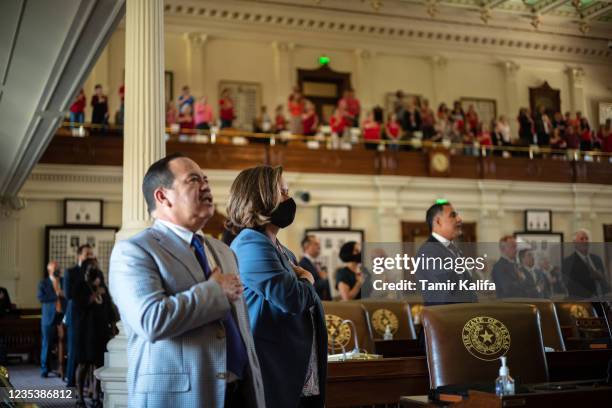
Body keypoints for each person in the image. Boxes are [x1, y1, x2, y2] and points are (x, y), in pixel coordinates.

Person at [109, 154, 265, 408]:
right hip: (181, 397)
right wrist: (215, 291)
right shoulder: (135, 251)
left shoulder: (223, 251)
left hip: (238, 393)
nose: (206, 186)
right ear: (162, 196)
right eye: (193, 180)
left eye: (205, 179)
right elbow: (151, 320)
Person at [227, 165, 327, 408]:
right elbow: (291, 298)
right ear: (259, 197)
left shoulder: (281, 249)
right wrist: (308, 278)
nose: (289, 199)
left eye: (287, 191)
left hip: (295, 365)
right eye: (281, 192)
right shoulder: (251, 244)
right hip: (270, 366)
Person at [73, 259, 116, 408]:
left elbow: (109, 306)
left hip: (100, 330)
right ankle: (79, 397)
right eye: (92, 268)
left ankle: (96, 395)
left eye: (96, 268)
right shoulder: (80, 286)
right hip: (84, 331)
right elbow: (80, 305)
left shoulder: (102, 285)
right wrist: (95, 291)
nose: (95, 270)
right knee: (83, 364)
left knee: (99, 365)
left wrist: (113, 324)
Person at [415, 202, 477, 304]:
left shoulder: (453, 250)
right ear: (438, 221)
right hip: (447, 317)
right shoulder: (428, 251)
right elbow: (450, 288)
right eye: (453, 215)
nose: (459, 219)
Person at [63, 244, 94, 386]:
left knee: (86, 351)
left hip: (89, 316)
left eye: (91, 254)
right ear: (79, 256)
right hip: (75, 316)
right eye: (87, 254)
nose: (90, 257)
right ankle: (71, 383)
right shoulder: (71, 272)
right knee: (74, 351)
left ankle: (85, 384)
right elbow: (69, 294)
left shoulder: (93, 273)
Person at [37, 260, 66, 378]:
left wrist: (63, 293)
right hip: (48, 318)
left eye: (58, 268)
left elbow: (68, 295)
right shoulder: (43, 283)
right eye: (55, 268)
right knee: (47, 343)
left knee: (63, 342)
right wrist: (57, 294)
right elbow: (41, 298)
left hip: (62, 316)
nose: (58, 270)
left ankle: (61, 368)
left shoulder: (63, 281)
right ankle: (45, 369)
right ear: (49, 270)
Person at [562, 229, 610, 299]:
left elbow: (604, 281)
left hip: (602, 300)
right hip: (583, 302)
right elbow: (570, 286)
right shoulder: (568, 261)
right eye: (582, 239)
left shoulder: (597, 259)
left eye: (587, 238)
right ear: (575, 242)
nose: (585, 241)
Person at [299, 235, 331, 301]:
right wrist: (323, 279)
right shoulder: (303, 265)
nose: (319, 246)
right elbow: (308, 288)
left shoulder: (315, 263)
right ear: (306, 246)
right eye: (316, 244)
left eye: (319, 244)